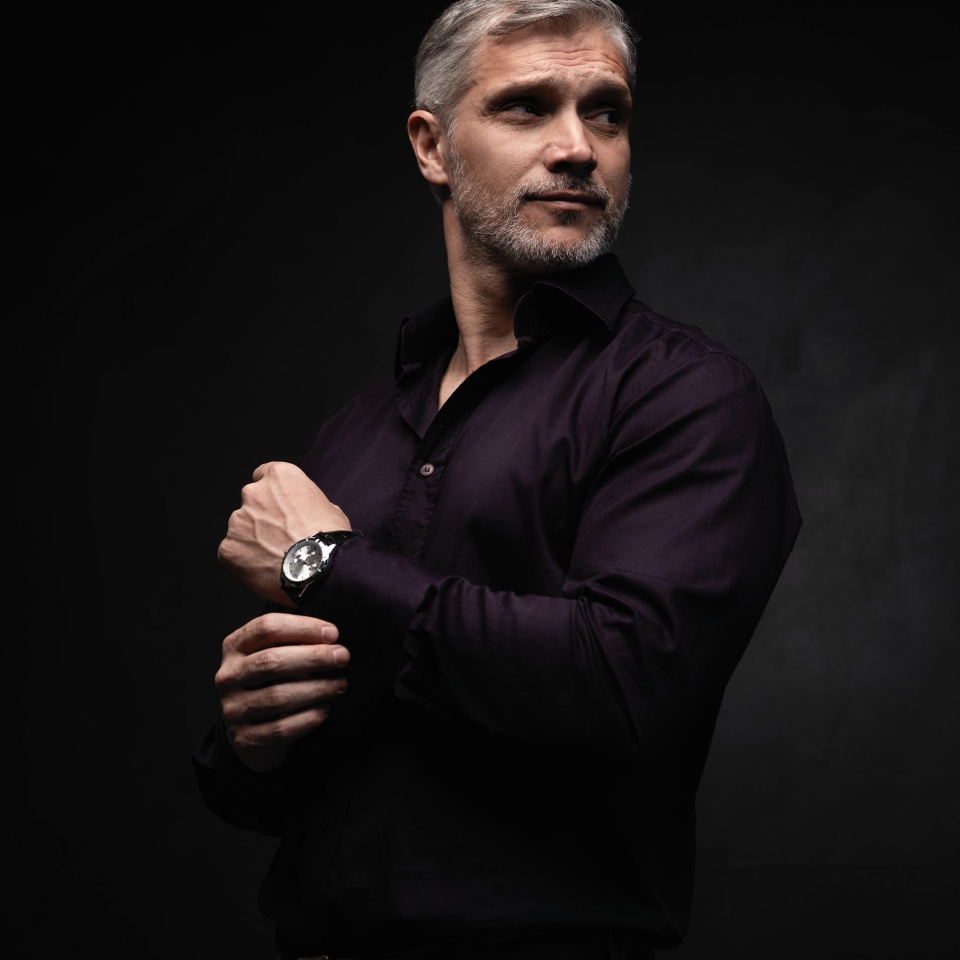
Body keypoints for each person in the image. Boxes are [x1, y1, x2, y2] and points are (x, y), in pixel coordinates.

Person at [193, 1, 802, 958]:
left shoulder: (686, 396)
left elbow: (621, 685)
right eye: (527, 108)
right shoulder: (354, 432)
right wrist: (250, 744)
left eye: (606, 113)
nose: (578, 149)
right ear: (432, 147)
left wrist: (324, 561)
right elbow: (299, 784)